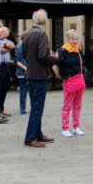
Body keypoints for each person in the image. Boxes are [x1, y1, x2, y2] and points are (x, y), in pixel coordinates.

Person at [21, 9, 57, 148]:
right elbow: (43, 55)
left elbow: (24, 54)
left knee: (36, 106)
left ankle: (38, 134)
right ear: (45, 21)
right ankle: (30, 138)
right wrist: (53, 58)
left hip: (30, 73)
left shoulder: (26, 34)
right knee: (37, 107)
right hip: (39, 74)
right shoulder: (41, 34)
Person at [53, 30, 86, 138]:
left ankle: (76, 127)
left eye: (76, 39)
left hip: (79, 81)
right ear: (67, 39)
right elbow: (55, 65)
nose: (75, 41)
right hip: (69, 81)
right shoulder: (62, 51)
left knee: (77, 106)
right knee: (67, 106)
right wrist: (60, 77)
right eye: (72, 39)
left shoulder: (78, 51)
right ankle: (65, 128)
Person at [0, 27, 16, 117]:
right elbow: (1, 50)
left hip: (7, 65)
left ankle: (1, 108)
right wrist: (8, 48)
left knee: (5, 88)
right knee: (0, 88)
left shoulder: (6, 40)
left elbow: (13, 45)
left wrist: (7, 47)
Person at [15, 40, 30, 115]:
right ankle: (32, 108)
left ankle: (22, 109)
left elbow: (17, 61)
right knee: (30, 91)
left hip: (22, 71)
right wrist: (26, 68)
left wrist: (24, 67)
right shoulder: (31, 45)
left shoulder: (18, 46)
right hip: (29, 71)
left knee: (23, 91)